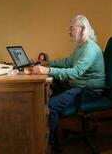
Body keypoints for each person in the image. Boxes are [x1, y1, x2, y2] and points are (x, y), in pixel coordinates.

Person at [31, 14, 105, 149]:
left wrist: (47, 71)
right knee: (48, 93)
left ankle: (49, 143)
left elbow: (75, 72)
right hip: (78, 85)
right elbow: (67, 62)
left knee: (51, 104)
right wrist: (48, 64)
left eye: (72, 28)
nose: (69, 32)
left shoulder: (89, 49)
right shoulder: (81, 46)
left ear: (83, 29)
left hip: (88, 90)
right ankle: (45, 131)